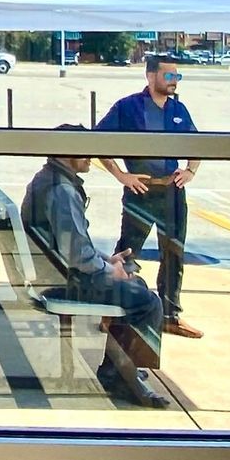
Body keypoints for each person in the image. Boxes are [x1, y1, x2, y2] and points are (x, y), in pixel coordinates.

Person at [19, 137, 165, 402]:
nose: (91, 158)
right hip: (63, 281)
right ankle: (125, 378)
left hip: (53, 272)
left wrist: (107, 261)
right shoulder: (62, 190)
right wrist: (110, 272)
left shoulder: (47, 180)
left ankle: (117, 371)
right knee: (148, 302)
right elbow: (76, 253)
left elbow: (69, 246)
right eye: (85, 151)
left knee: (136, 286)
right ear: (66, 153)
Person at [96, 51, 202, 339]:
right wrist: (121, 175)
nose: (174, 82)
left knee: (174, 253)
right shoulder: (128, 107)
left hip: (172, 191)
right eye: (169, 76)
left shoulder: (178, 110)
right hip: (140, 191)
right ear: (151, 75)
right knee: (128, 252)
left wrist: (190, 171)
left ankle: (170, 315)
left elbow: (198, 142)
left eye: (177, 76)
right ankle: (112, 311)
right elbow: (97, 140)